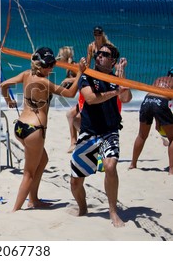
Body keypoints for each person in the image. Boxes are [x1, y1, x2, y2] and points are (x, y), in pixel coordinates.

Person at [1, 47, 86, 212]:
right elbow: (69, 94)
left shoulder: (26, 74)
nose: (51, 68)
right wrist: (81, 74)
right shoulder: (45, 82)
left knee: (43, 160)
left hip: (20, 127)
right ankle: (15, 210)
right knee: (28, 173)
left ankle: (34, 199)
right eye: (48, 65)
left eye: (52, 64)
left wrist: (8, 101)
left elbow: (3, 84)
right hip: (34, 130)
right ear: (39, 65)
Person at [70, 43, 132, 228]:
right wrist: (114, 92)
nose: (99, 56)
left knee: (110, 166)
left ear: (112, 61)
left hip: (109, 130)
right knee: (75, 181)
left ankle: (113, 211)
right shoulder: (86, 75)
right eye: (98, 53)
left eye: (104, 54)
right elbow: (90, 99)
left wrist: (122, 80)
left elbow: (126, 98)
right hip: (88, 131)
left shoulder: (116, 79)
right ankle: (83, 207)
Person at [129, 67, 173, 174]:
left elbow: (155, 100)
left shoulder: (159, 79)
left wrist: (158, 122)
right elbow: (162, 104)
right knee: (172, 138)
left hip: (147, 101)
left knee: (141, 135)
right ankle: (172, 169)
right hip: (161, 103)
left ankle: (133, 164)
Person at [56, 46, 80, 153]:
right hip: (82, 98)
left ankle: (76, 142)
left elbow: (84, 77)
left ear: (65, 57)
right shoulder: (68, 66)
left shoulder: (74, 66)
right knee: (70, 115)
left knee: (72, 116)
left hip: (88, 99)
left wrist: (68, 79)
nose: (58, 57)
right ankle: (74, 142)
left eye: (60, 55)